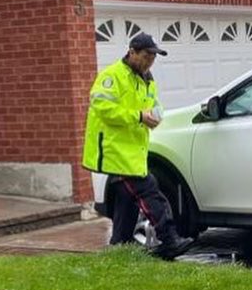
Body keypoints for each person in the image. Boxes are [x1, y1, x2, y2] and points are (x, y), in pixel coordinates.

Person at [82, 32, 194, 259]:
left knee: (126, 197)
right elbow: (102, 107)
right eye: (146, 55)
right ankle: (169, 238)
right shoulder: (112, 76)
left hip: (133, 150)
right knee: (148, 188)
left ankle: (119, 247)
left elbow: (154, 105)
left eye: (153, 56)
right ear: (132, 52)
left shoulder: (147, 79)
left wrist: (156, 116)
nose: (150, 60)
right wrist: (138, 116)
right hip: (116, 150)